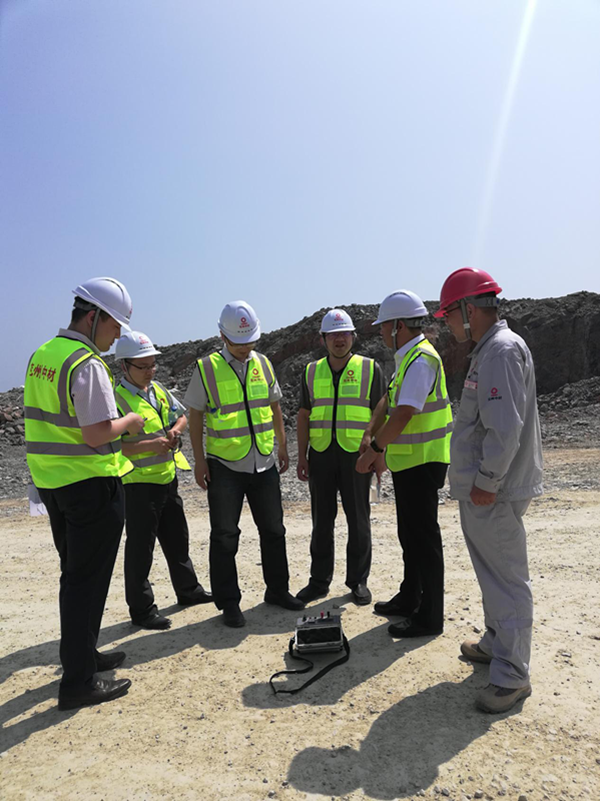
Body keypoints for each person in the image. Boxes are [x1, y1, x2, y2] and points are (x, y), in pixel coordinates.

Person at [24, 278, 145, 710]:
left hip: (53, 485)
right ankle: (77, 682)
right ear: (93, 317)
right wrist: (130, 420)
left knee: (76, 576)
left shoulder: (43, 355)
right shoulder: (86, 363)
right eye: (114, 326)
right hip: (90, 485)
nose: (116, 337)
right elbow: (96, 433)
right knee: (85, 583)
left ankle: (85, 656)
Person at [434, 267, 543, 714]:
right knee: (492, 572)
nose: (447, 323)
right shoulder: (491, 350)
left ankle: (512, 676)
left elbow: (504, 428)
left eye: (448, 314)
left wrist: (486, 481)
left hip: (493, 489)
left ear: (467, 309)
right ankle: (497, 642)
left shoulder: (499, 351)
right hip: (488, 487)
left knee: (506, 577)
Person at [185, 300, 304, 628]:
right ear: (223, 336)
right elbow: (195, 416)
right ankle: (229, 603)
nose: (245, 347)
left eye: (250, 340)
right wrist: (199, 461)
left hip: (263, 461)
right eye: (239, 341)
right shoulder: (206, 368)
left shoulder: (263, 363)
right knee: (225, 535)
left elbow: (274, 406)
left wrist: (282, 445)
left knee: (274, 530)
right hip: (225, 465)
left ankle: (277, 590)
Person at [356, 290, 452, 638]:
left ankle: (429, 617)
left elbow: (405, 413)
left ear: (398, 326)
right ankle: (410, 597)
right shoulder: (409, 357)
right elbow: (389, 399)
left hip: (423, 462)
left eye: (384, 326)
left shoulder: (422, 359)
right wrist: (371, 431)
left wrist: (374, 450)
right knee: (409, 535)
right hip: (410, 462)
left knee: (424, 539)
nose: (381, 332)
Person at [114, 331, 212, 630]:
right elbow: (110, 445)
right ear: (124, 366)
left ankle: (188, 590)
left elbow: (181, 415)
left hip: (167, 478)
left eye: (152, 365)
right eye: (143, 366)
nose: (150, 371)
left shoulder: (157, 390)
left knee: (177, 539)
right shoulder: (116, 399)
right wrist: (151, 445)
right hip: (138, 485)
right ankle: (142, 610)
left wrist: (176, 431)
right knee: (140, 549)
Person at [296, 309, 386, 605]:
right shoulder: (311, 371)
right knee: (322, 521)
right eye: (333, 335)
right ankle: (319, 581)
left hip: (356, 455)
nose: (339, 339)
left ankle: (358, 581)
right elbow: (304, 415)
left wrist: (377, 451)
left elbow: (381, 410)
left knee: (358, 519)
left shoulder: (370, 368)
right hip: (321, 454)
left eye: (345, 333)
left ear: (353, 337)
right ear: (323, 339)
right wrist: (302, 456)